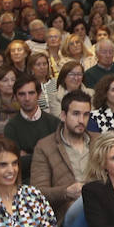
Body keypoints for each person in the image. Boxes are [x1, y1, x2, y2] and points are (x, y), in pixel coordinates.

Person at [30, 90, 93, 219]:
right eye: (76, 114)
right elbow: (37, 192)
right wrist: (66, 192)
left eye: (86, 115)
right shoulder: (45, 147)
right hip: (69, 210)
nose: (81, 120)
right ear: (63, 116)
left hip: (101, 205)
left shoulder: (98, 141)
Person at [4, 73, 60, 159]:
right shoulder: (11, 127)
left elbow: (59, 158)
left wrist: (27, 156)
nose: (27, 98)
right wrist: (46, 155)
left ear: (39, 94)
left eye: (31, 93)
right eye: (22, 94)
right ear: (15, 97)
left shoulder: (54, 123)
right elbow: (16, 162)